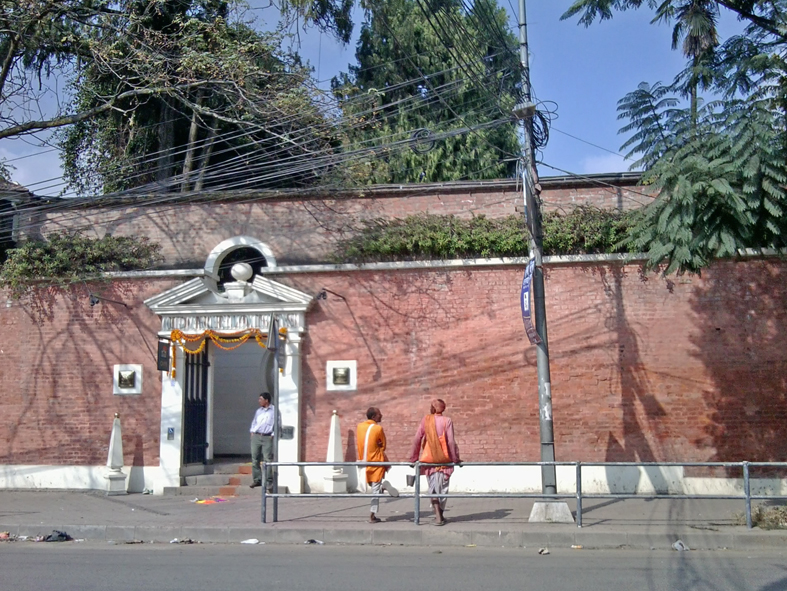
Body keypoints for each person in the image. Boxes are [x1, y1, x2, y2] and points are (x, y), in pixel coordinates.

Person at [408, 398, 461, 526]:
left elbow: (417, 439)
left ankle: (439, 515)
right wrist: (455, 458)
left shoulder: (426, 420)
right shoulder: (447, 421)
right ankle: (439, 515)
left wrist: (413, 458)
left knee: (433, 487)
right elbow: (450, 442)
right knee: (443, 488)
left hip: (429, 460)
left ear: (433, 408)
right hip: (444, 459)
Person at [356, 407, 399, 523]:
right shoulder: (378, 428)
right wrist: (378, 444)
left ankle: (372, 514)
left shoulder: (359, 427)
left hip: (363, 462)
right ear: (374, 417)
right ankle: (382, 487)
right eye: (380, 414)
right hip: (376, 462)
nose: (382, 416)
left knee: (372, 487)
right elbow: (383, 446)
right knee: (375, 488)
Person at [249, 392, 279, 491]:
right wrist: (252, 431)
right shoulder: (259, 411)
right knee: (255, 458)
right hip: (257, 435)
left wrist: (273, 434)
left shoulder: (274, 410)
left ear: (266, 400)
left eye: (261, 399)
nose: (259, 401)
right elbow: (255, 421)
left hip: (267, 436)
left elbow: (277, 422)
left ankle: (269, 481)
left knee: (267, 459)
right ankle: (257, 479)